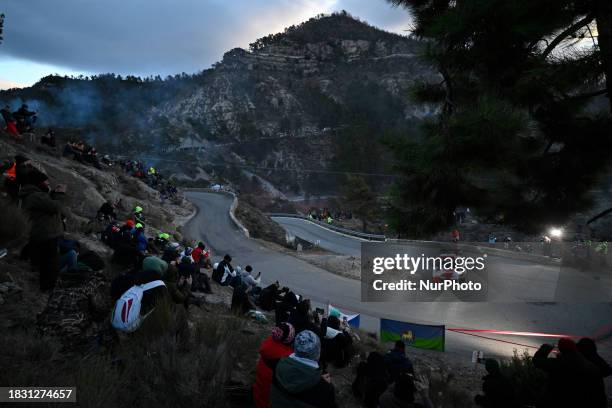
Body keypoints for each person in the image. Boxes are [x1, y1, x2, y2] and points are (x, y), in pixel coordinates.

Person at [20, 184, 69, 291]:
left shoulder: (35, 196)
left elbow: (47, 205)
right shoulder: (35, 196)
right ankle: (46, 289)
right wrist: (60, 194)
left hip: (43, 233)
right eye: (46, 181)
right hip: (46, 234)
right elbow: (56, 207)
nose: (49, 184)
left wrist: (53, 193)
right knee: (51, 263)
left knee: (45, 261)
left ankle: (42, 283)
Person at [270, 330, 336, 408]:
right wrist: (322, 384)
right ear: (317, 352)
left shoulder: (278, 365)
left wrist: (318, 380)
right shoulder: (326, 390)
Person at [533, 338, 605, 408]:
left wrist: (546, 347)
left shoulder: (558, 364)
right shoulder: (592, 367)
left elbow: (537, 360)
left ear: (561, 350)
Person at [253, 323, 295, 408]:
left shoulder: (268, 344)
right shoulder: (287, 356)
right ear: (289, 339)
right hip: (269, 401)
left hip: (258, 395)